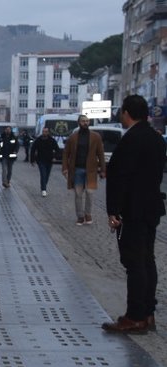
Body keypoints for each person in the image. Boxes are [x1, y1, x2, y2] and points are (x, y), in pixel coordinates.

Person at [103, 95, 167, 333]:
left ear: (127, 113)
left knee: (134, 263)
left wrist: (114, 211)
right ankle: (148, 312)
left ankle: (135, 315)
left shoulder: (131, 140)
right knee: (148, 260)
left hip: (134, 210)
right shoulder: (156, 139)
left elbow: (121, 178)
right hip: (151, 208)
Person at [62, 114, 106, 225]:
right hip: (77, 169)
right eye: (83, 121)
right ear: (79, 123)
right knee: (78, 194)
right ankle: (80, 216)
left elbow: (100, 153)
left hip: (91, 170)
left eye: (87, 121)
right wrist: (65, 167)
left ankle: (88, 214)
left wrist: (103, 169)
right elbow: (66, 153)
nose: (85, 123)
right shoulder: (73, 137)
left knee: (90, 193)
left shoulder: (96, 136)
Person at [30, 127, 61, 197]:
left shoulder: (52, 140)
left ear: (48, 132)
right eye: (43, 131)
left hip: (49, 160)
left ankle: (43, 186)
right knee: (43, 174)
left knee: (47, 175)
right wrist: (32, 160)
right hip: (40, 160)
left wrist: (55, 157)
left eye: (46, 131)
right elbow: (33, 149)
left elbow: (57, 149)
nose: (45, 133)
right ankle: (44, 189)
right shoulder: (38, 140)